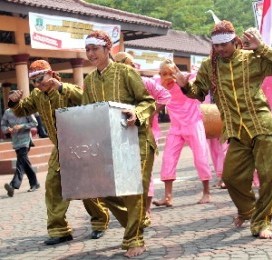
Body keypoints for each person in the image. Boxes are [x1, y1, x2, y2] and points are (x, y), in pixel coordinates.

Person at [175, 20, 272, 239]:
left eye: (225, 44)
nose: (220, 49)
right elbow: (198, 93)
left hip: (262, 124)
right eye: (216, 45)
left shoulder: (252, 58)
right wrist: (184, 86)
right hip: (236, 131)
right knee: (231, 177)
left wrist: (261, 47)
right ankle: (249, 211)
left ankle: (262, 222)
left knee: (268, 175)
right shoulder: (210, 66)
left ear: (235, 42)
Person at [8, 60, 109, 245]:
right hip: (60, 148)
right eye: (34, 81)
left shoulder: (67, 88)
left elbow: (87, 100)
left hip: (81, 146)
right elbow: (23, 110)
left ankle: (100, 222)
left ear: (51, 74)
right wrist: (14, 102)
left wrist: (61, 87)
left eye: (41, 78)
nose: (39, 83)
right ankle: (59, 230)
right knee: (53, 187)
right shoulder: (38, 95)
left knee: (87, 188)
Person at [83, 30, 156, 258]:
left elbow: (148, 101)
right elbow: (88, 113)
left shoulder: (126, 72)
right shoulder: (89, 80)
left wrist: (137, 112)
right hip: (110, 145)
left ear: (108, 49)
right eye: (88, 49)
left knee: (134, 189)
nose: (91, 53)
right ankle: (136, 223)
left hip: (138, 140)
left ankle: (134, 238)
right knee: (105, 191)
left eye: (95, 48)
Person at [114, 51, 171, 221]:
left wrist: (151, 113)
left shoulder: (144, 81)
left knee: (145, 172)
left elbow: (165, 96)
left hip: (147, 131)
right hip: (123, 133)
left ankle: (146, 209)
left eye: (128, 66)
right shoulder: (115, 84)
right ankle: (132, 210)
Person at [152, 59, 212, 207]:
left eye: (170, 73)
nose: (168, 77)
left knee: (200, 158)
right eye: (164, 74)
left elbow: (199, 78)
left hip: (193, 124)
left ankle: (206, 193)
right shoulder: (158, 84)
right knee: (168, 159)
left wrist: (181, 78)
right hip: (176, 127)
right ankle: (168, 197)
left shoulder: (185, 78)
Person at [1, 108, 40, 197]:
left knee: (20, 163)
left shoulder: (25, 109)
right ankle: (35, 183)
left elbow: (35, 123)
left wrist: (22, 126)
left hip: (26, 141)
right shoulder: (7, 112)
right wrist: (8, 129)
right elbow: (3, 125)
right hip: (16, 141)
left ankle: (13, 185)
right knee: (24, 163)